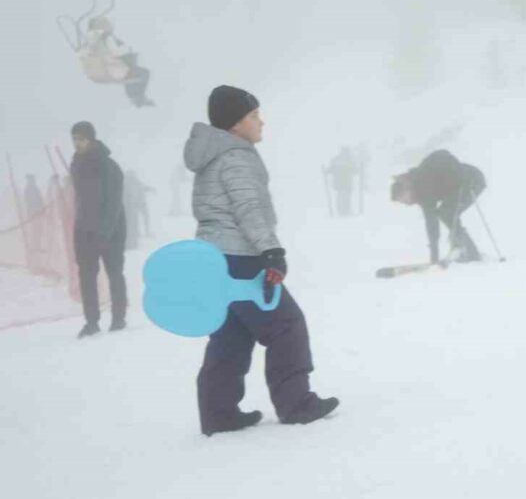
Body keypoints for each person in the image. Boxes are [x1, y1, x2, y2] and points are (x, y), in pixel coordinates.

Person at [185, 85, 339, 436]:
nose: (261, 121)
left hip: (213, 257)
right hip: (241, 256)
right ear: (235, 124)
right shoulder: (236, 156)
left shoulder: (212, 155)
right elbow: (249, 208)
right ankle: (296, 403)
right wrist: (271, 251)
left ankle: (219, 413)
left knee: (231, 334)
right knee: (285, 325)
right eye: (254, 115)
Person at [70, 121, 128, 337]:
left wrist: (104, 231)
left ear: (91, 139)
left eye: (81, 139)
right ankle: (91, 322)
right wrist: (80, 229)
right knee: (86, 276)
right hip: (84, 230)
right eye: (74, 139)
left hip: (111, 230)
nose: (77, 143)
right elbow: (81, 200)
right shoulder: (76, 164)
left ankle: (118, 319)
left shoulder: (109, 166)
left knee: (114, 273)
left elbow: (114, 203)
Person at [390, 150, 486, 265]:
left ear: (406, 189)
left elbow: (432, 222)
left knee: (447, 213)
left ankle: (469, 252)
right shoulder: (418, 186)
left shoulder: (422, 184)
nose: (406, 204)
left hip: (470, 180)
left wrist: (434, 258)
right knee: (447, 213)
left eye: (403, 199)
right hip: (464, 181)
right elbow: (431, 222)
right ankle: (463, 249)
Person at [81, 15, 154, 107]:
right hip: (108, 68)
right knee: (143, 73)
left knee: (134, 67)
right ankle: (136, 96)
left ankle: (137, 96)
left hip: (109, 66)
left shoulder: (98, 38)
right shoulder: (100, 39)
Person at [122, 170, 154, 249]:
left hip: (137, 205)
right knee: (134, 223)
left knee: (134, 223)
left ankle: (137, 238)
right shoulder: (129, 184)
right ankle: (135, 240)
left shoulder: (133, 183)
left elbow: (143, 188)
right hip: (136, 205)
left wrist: (150, 189)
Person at [325, 147, 358, 217]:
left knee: (341, 197)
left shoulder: (336, 160)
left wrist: (326, 171)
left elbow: (331, 169)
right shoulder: (349, 160)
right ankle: (345, 211)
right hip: (346, 183)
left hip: (339, 183)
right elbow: (355, 170)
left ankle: (342, 211)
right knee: (345, 197)